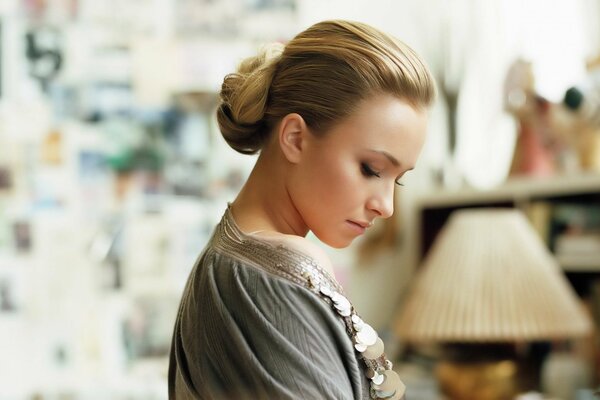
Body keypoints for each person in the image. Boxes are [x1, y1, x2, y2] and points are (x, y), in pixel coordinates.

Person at [168, 19, 435, 400]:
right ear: (295, 139)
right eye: (371, 169)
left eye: (398, 178)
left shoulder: (232, 261)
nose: (386, 206)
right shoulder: (269, 274)